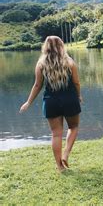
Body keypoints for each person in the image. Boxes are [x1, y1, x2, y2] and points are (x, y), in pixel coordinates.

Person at [19, 36, 83, 172]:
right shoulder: (69, 61)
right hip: (70, 99)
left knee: (56, 134)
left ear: (45, 47)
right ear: (61, 45)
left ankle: (60, 166)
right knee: (74, 127)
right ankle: (65, 154)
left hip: (51, 102)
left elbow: (37, 85)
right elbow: (77, 82)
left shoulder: (41, 63)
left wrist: (28, 102)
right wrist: (78, 96)